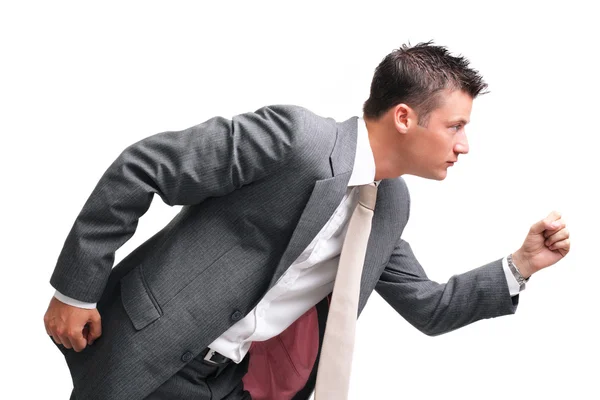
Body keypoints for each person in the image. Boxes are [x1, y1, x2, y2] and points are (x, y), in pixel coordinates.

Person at [44, 41, 570, 400]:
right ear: (405, 117)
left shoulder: (389, 205)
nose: (464, 145)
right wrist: (75, 290)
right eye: (455, 125)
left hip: (227, 382)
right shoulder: (298, 141)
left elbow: (428, 307)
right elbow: (146, 167)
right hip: (149, 347)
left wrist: (520, 265)